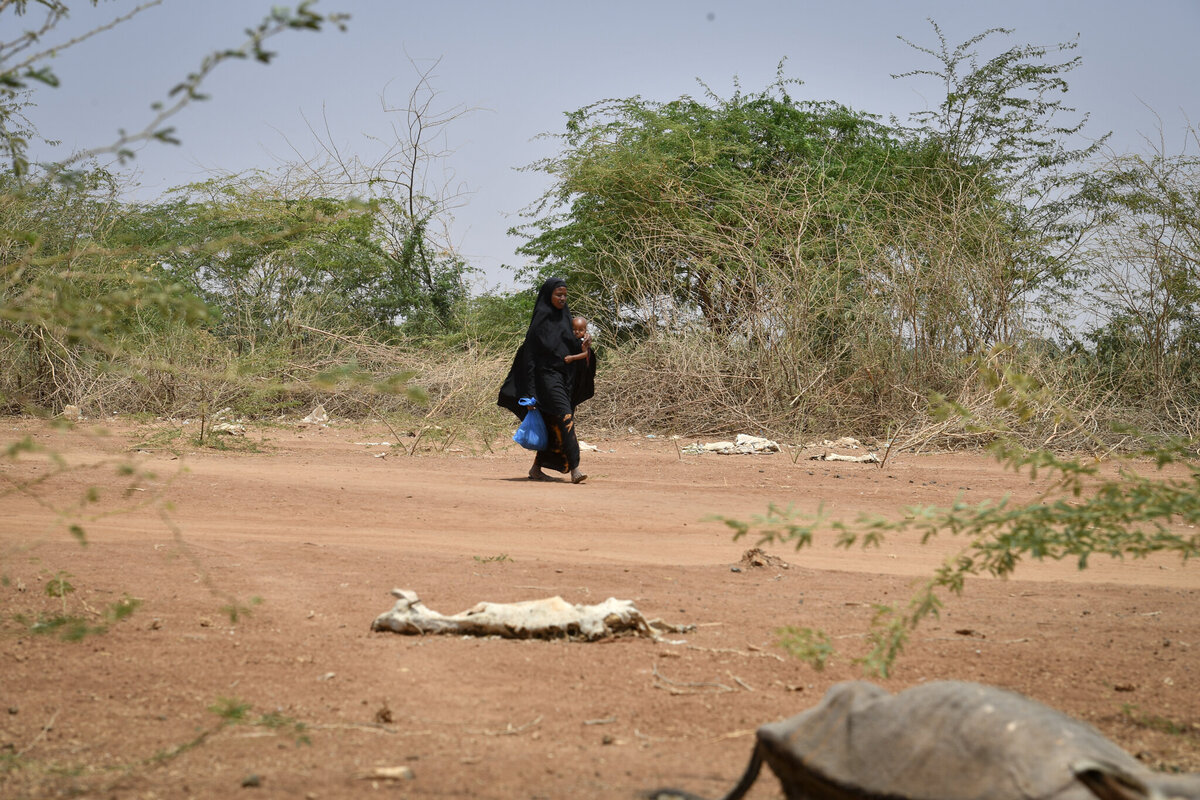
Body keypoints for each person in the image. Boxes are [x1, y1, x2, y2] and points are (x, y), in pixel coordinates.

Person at [498, 278, 596, 483]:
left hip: (562, 379)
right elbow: (530, 358)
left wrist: (585, 346)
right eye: (558, 295)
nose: (562, 298)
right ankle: (575, 468)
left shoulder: (566, 320)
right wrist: (530, 394)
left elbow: (573, 352)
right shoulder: (540, 322)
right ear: (548, 296)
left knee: (553, 423)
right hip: (545, 379)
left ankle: (536, 469)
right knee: (565, 416)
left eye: (565, 295)